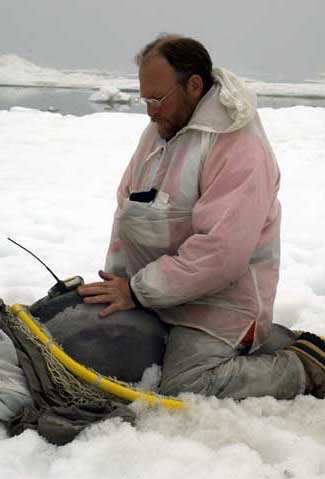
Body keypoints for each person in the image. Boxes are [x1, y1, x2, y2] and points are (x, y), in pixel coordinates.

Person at [78, 34, 325, 401]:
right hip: (159, 292)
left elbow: (220, 253)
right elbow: (127, 211)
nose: (150, 111)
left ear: (194, 86)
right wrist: (116, 285)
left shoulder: (240, 147)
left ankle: (304, 368)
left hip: (222, 301)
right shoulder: (160, 131)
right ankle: (270, 340)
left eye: (158, 99)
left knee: (187, 384)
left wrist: (137, 291)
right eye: (145, 99)